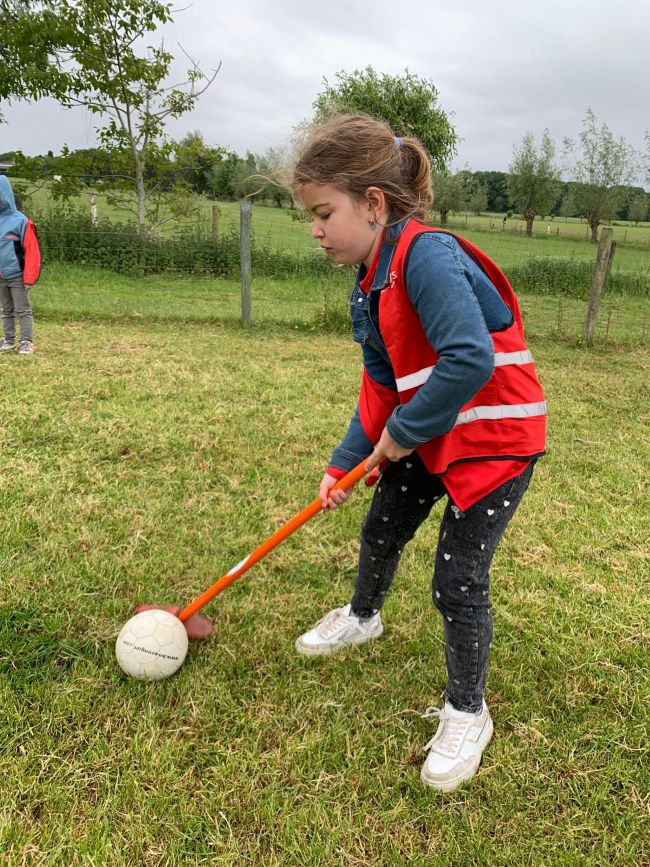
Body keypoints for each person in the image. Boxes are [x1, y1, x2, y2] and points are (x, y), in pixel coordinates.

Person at [289, 115, 546, 793]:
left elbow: (469, 357)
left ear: (374, 204)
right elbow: (379, 386)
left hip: (495, 442)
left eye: (324, 213)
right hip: (434, 431)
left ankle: (469, 710)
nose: (315, 229)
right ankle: (362, 618)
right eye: (309, 216)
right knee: (382, 526)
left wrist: (401, 435)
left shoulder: (426, 255)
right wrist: (346, 462)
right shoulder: (367, 284)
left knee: (457, 579)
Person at [0, 176, 41, 355]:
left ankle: (26, 342)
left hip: (17, 276)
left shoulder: (21, 221)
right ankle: (8, 341)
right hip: (0, 277)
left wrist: (29, 277)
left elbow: (32, 250)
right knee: (5, 310)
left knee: (23, 310)